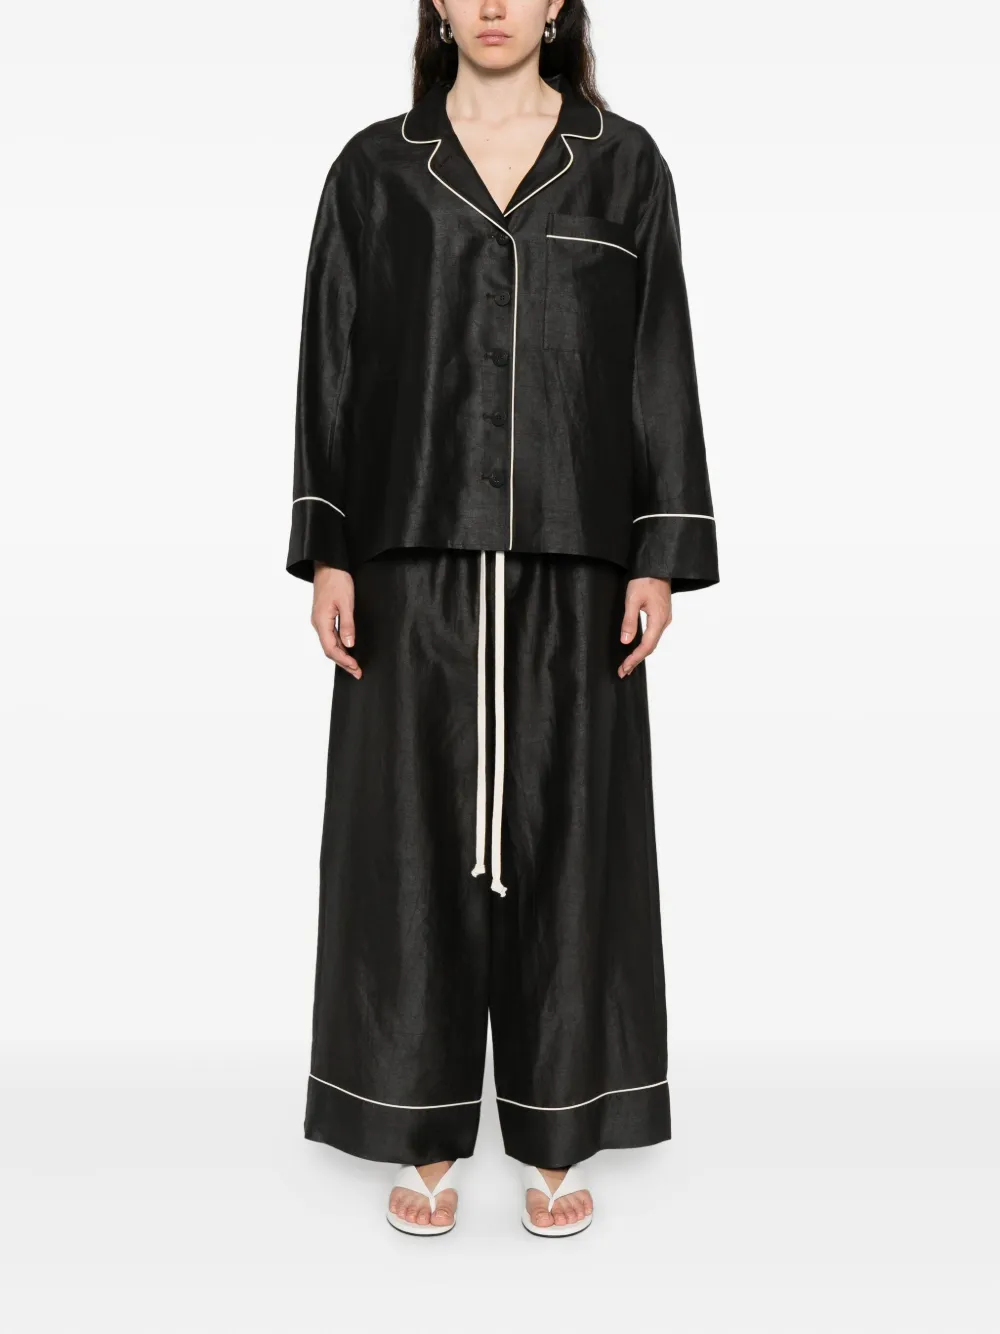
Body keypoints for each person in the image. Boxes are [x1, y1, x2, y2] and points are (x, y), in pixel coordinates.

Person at [285, 0, 718, 1237]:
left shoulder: (624, 164)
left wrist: (659, 549)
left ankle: (558, 1126)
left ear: (556, 4)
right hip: (407, 547)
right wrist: (328, 546)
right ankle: (415, 1126)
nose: (491, 4)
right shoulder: (375, 168)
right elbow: (330, 356)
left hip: (577, 555)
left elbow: (656, 356)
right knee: (403, 840)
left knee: (571, 832)